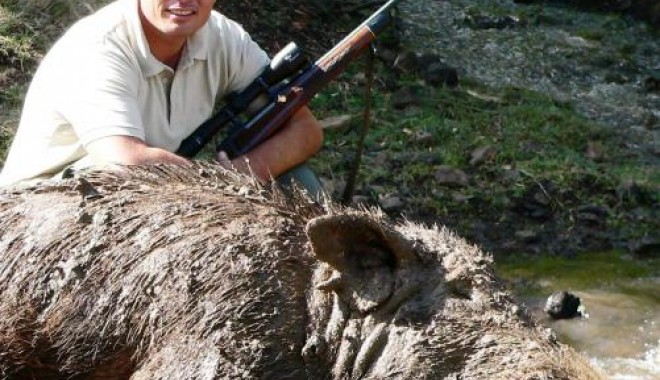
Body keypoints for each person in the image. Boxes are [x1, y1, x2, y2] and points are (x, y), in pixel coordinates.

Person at [0, 0, 324, 193]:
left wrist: (241, 172)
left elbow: (304, 131)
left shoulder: (224, 38)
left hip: (159, 186)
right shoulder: (98, 45)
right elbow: (124, 161)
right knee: (111, 183)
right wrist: (217, 185)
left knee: (296, 181)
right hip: (47, 202)